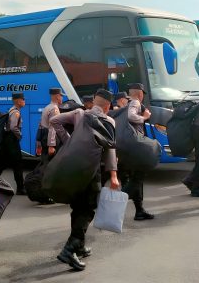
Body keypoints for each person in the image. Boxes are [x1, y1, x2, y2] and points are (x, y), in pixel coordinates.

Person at [48, 88, 120, 271]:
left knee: (78, 206)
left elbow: (54, 121)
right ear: (108, 106)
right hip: (91, 169)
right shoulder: (108, 120)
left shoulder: (80, 113)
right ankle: (70, 248)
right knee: (87, 209)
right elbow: (110, 150)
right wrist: (113, 175)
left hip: (72, 167)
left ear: (95, 102)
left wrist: (69, 141)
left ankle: (79, 246)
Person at [122, 83, 155, 220]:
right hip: (135, 146)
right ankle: (120, 197)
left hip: (126, 146)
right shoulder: (135, 102)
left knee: (136, 178)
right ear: (140, 94)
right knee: (138, 177)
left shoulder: (126, 102)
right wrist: (145, 117)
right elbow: (131, 116)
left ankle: (139, 210)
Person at [0, 92, 25, 195]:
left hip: (8, 140)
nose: (24, 101)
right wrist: (19, 136)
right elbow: (13, 127)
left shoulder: (12, 110)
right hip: (12, 140)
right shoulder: (16, 112)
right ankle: (20, 188)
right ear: (18, 100)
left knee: (2, 163)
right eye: (23, 99)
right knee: (17, 164)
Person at [41, 88, 63, 161]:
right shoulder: (54, 109)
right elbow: (53, 127)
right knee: (52, 163)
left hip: (45, 136)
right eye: (61, 96)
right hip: (50, 138)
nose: (62, 98)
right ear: (57, 96)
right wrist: (51, 145)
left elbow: (40, 125)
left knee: (46, 162)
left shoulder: (47, 107)